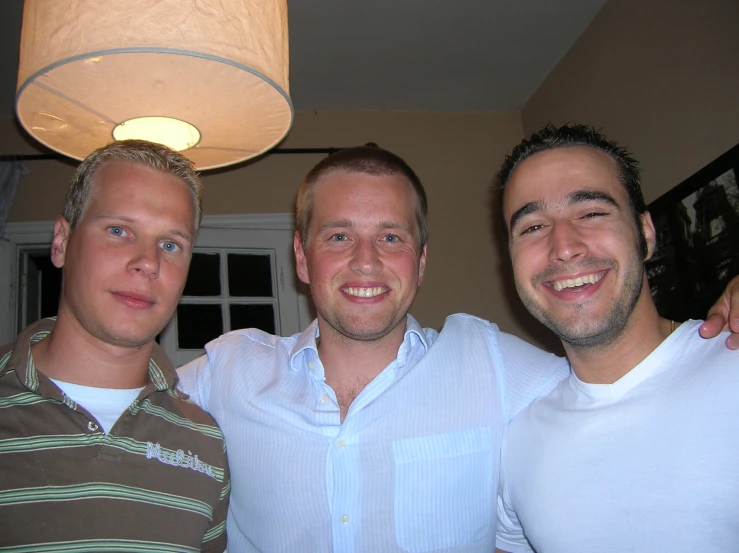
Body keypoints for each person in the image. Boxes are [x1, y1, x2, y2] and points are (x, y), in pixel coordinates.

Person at [178, 145, 738, 552]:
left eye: (392, 237)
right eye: (339, 236)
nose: (366, 261)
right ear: (302, 258)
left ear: (420, 262)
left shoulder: (491, 364)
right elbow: (110, 390)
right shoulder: (230, 370)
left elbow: (625, 378)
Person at [494, 124, 739, 552]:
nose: (564, 248)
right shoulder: (515, 445)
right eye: (532, 226)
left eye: (591, 212)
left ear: (645, 232)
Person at [0, 140, 230, 551]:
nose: (148, 262)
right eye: (119, 231)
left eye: (171, 244)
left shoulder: (206, 440)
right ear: (61, 242)